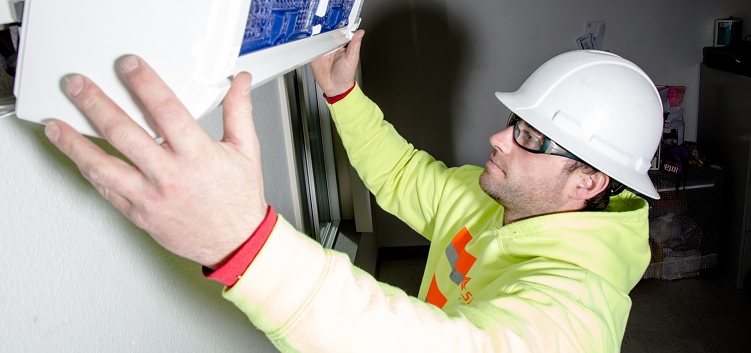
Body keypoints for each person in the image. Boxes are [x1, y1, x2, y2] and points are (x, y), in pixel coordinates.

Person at [44, 29, 663, 352]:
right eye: (515, 122)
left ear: (587, 179)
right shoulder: (493, 203)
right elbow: (401, 175)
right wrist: (342, 93)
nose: (499, 138)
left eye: (530, 137)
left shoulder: (578, 311)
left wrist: (246, 244)